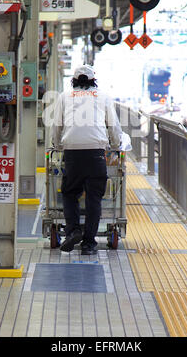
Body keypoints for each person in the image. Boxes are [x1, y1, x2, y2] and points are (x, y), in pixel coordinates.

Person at [51, 64, 122, 255]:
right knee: (94, 198)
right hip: (96, 153)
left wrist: (57, 146)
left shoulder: (64, 96)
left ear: (73, 80)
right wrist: (116, 145)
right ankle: (89, 244)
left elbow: (57, 126)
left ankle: (73, 230)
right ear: (93, 81)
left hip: (72, 151)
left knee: (69, 192)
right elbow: (113, 127)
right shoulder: (103, 96)